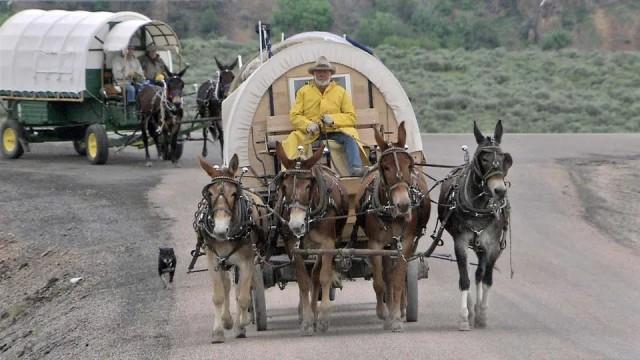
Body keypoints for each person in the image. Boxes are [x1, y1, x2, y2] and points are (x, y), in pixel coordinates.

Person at [284, 56, 366, 176]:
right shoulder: (303, 91)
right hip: (310, 133)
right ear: (313, 74)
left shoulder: (340, 92)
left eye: (325, 71)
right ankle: (292, 173)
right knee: (292, 140)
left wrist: (333, 120)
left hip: (334, 131)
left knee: (351, 137)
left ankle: (355, 169)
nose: (322, 74)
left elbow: (351, 117)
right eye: (319, 71)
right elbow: (295, 115)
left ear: (330, 74)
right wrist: (308, 125)